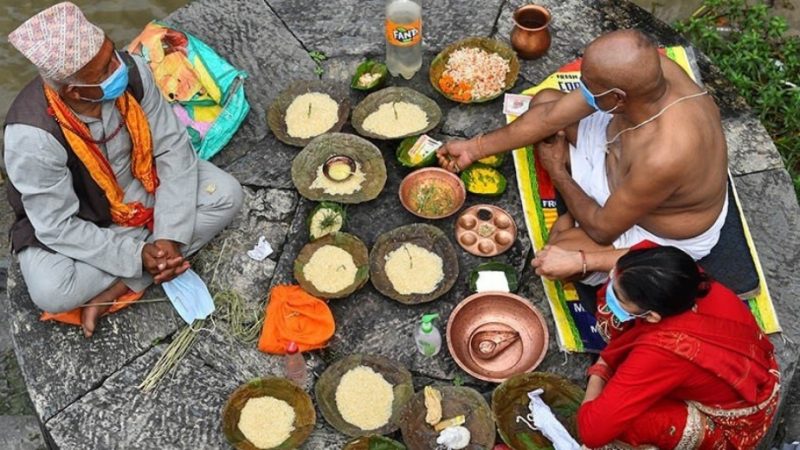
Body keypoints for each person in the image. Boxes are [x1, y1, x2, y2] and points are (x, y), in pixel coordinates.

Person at [4, 2, 244, 337]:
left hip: (141, 182)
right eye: (104, 68)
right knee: (51, 292)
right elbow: (57, 225)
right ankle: (149, 263)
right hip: (81, 216)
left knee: (227, 195)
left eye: (111, 52)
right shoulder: (31, 137)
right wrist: (136, 253)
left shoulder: (131, 71)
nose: (119, 65)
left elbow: (172, 147)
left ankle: (117, 289)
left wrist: (168, 238)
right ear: (74, 91)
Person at [437, 29, 729, 284]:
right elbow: (551, 115)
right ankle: (580, 201)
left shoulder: (665, 154)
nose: (583, 89)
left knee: (560, 255)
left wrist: (557, 171)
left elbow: (602, 229)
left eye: (590, 87)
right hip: (616, 157)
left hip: (652, 226)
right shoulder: (652, 70)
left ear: (617, 98)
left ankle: (575, 204)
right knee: (544, 101)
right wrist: (474, 148)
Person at [571, 244, 779, 448]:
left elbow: (592, 431)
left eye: (619, 297)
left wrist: (600, 370)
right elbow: (635, 254)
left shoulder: (666, 349)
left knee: (630, 424)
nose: (610, 291)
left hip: (733, 423)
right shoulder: (677, 274)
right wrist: (582, 261)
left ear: (652, 317)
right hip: (754, 370)